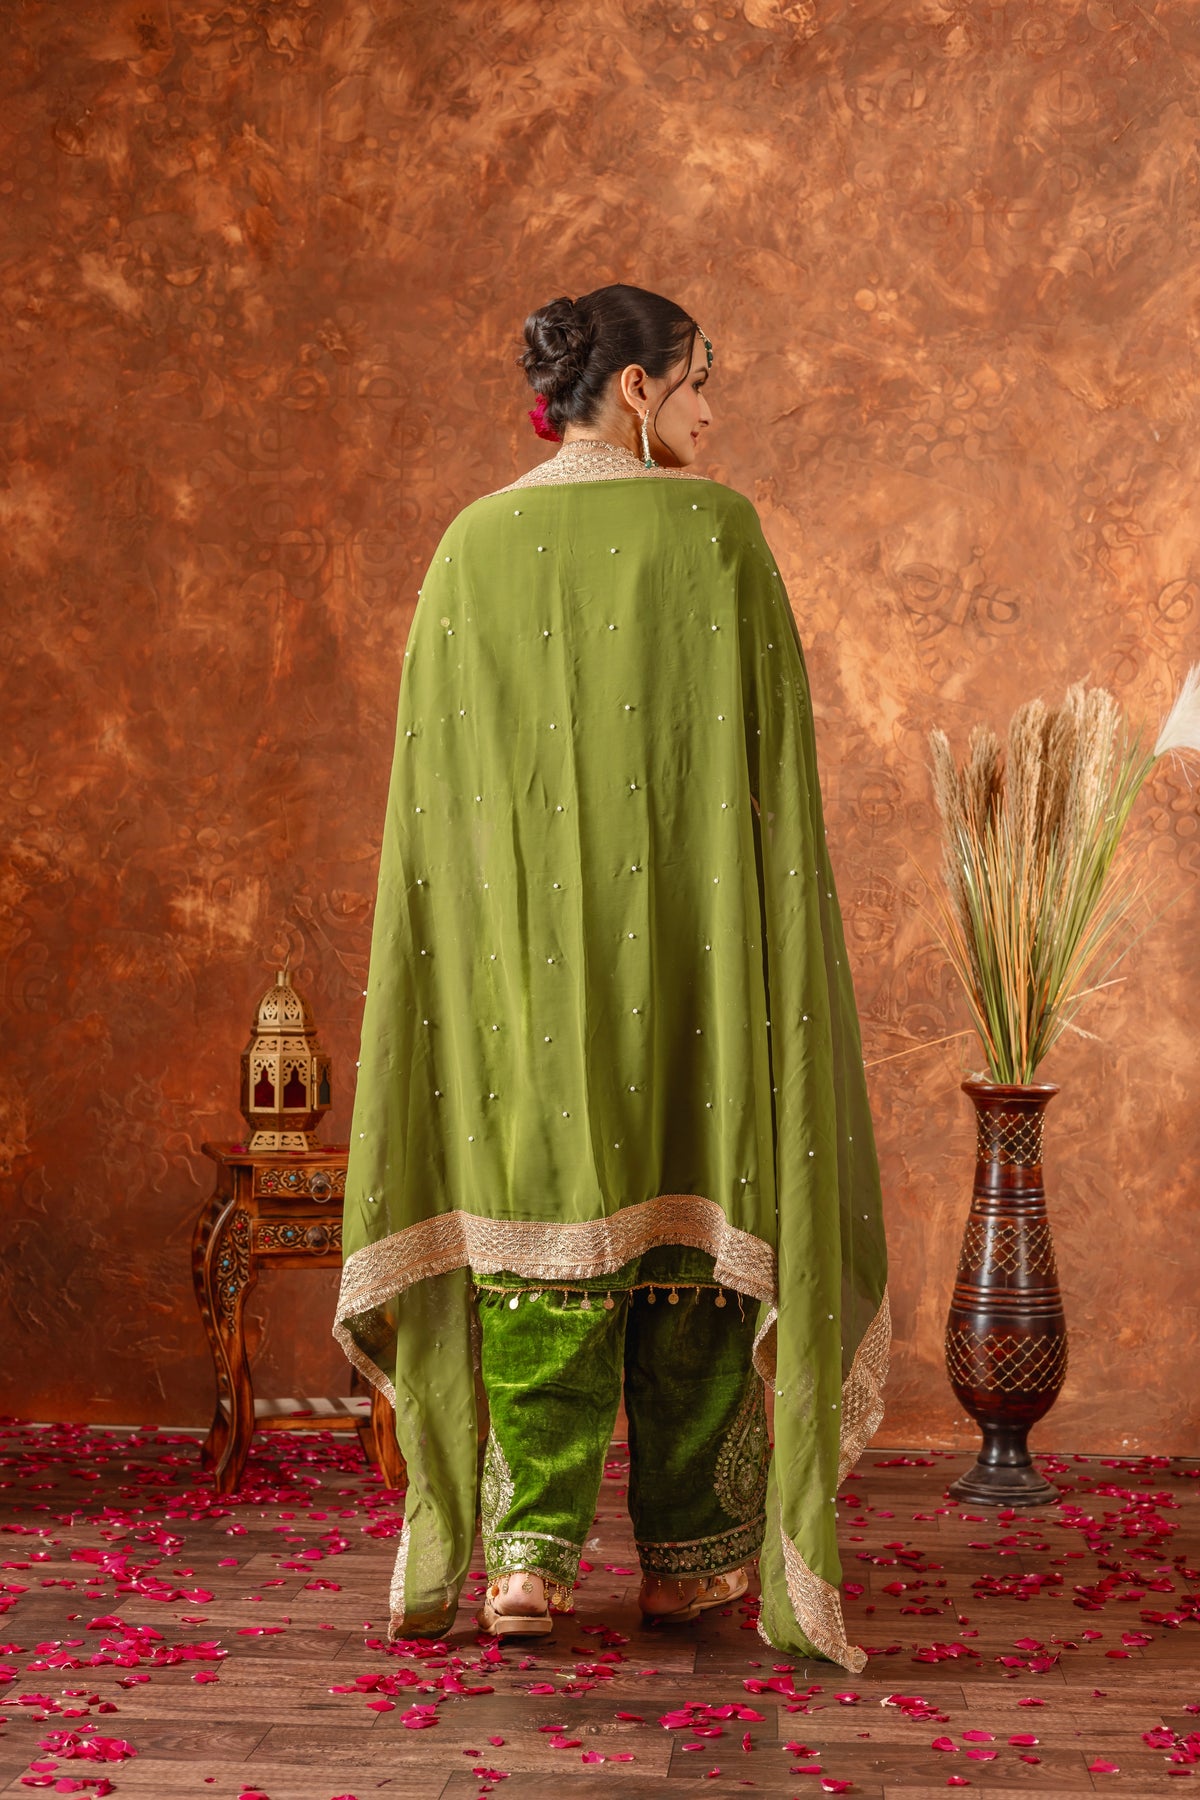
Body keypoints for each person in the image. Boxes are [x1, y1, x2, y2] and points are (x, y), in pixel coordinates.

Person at [334, 284, 888, 1672]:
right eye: (701, 381)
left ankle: (526, 1563)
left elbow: (437, 815)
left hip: (515, 976)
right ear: (635, 389)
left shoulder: (470, 545)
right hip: (694, 962)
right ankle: (691, 1566)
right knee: (693, 1230)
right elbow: (771, 787)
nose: (713, 410)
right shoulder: (719, 533)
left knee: (541, 1230)